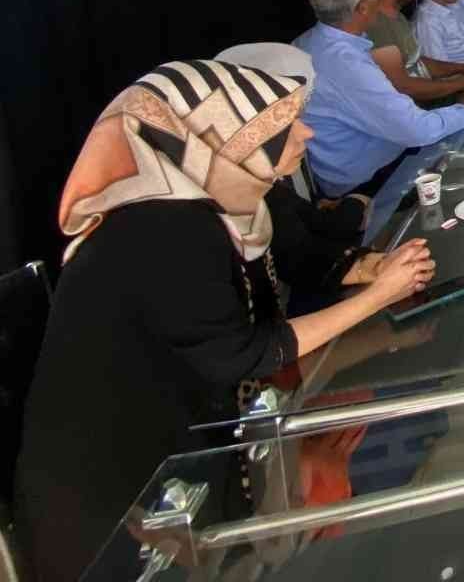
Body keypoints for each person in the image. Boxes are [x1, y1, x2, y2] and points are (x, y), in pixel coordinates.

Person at [13, 59, 437, 582]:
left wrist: (367, 269)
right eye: (283, 126)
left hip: (184, 467)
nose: (305, 133)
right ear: (219, 143)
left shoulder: (228, 204)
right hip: (117, 511)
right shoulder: (161, 231)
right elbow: (244, 353)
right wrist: (378, 297)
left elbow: (301, 261)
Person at [294, 0, 464, 237]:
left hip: (370, 164)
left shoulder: (306, 43)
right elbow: (414, 129)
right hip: (372, 184)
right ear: (363, 8)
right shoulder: (345, 63)